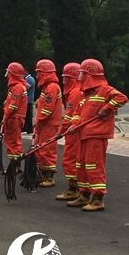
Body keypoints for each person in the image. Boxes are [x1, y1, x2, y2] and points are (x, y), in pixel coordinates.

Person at [66, 59, 127, 212]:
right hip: (84, 133)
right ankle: (84, 195)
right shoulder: (86, 94)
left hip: (96, 135)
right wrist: (74, 125)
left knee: (94, 166)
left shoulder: (105, 90)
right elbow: (78, 112)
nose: (80, 77)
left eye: (83, 74)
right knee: (80, 164)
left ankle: (98, 199)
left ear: (91, 74)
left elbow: (122, 98)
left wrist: (106, 108)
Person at [32, 59, 63, 188]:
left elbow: (48, 108)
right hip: (45, 124)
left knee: (47, 150)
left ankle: (49, 177)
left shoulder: (51, 87)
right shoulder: (48, 87)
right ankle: (43, 174)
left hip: (49, 124)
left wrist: (38, 120)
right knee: (40, 149)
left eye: (39, 73)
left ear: (44, 73)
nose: (37, 76)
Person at [55, 62, 82, 201]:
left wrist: (61, 131)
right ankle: (76, 189)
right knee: (73, 159)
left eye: (66, 78)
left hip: (74, 132)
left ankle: (73, 189)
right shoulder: (76, 91)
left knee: (70, 159)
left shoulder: (75, 93)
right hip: (75, 131)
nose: (63, 80)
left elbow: (70, 116)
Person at [1, 62, 28, 171]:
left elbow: (13, 105)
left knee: (12, 141)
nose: (7, 75)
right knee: (15, 141)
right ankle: (17, 164)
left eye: (9, 73)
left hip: (14, 118)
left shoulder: (17, 87)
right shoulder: (18, 87)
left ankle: (14, 165)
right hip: (16, 117)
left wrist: (5, 118)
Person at [23, 68, 36, 134]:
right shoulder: (26, 79)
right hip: (26, 99)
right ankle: (26, 129)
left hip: (28, 99)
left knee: (28, 115)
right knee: (26, 114)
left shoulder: (30, 79)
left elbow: (25, 88)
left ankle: (28, 129)